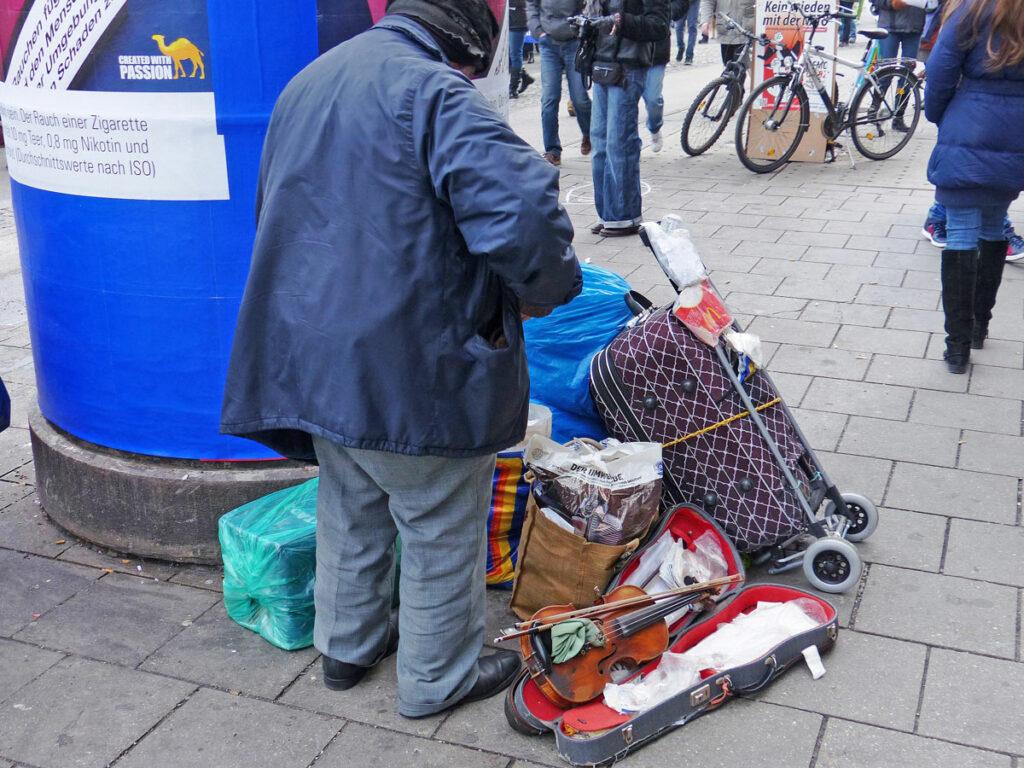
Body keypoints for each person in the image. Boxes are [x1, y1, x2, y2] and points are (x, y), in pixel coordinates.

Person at [221, 0, 583, 718]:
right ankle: (435, 678)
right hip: (411, 365)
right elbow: (527, 217)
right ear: (470, 23)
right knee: (439, 519)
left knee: (352, 499)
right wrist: (543, 292)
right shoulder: (435, 93)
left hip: (313, 359)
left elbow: (272, 209)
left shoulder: (311, 81)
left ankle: (345, 649)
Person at [925, 0, 1024, 373]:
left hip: (970, 125)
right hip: (1016, 134)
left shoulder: (972, 8)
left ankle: (958, 347)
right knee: (995, 225)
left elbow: (940, 68)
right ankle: (981, 326)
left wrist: (939, 114)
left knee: (961, 232)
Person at [588, 0, 670, 237]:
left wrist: (621, 21)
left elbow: (659, 25)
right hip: (603, 61)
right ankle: (608, 214)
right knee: (600, 143)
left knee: (618, 141)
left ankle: (624, 216)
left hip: (630, 65)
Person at [528, 0, 594, 164]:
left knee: (579, 98)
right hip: (548, 43)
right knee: (549, 98)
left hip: (573, 42)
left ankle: (589, 133)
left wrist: (582, 26)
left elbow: (587, 6)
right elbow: (531, 5)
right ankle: (552, 149)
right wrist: (538, 31)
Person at [699, 0, 755, 65]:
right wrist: (705, 21)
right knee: (728, 67)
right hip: (726, 30)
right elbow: (708, 1)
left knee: (741, 67)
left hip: (747, 31)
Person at [643, 26, 671, 151]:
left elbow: (680, 6)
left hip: (656, 52)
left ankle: (655, 127)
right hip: (628, 50)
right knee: (627, 101)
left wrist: (668, 12)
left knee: (652, 98)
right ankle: (631, 142)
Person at [509, 0, 536, 97]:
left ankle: (513, 88)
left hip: (517, 22)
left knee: (515, 54)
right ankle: (524, 76)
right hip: (508, 21)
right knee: (509, 55)